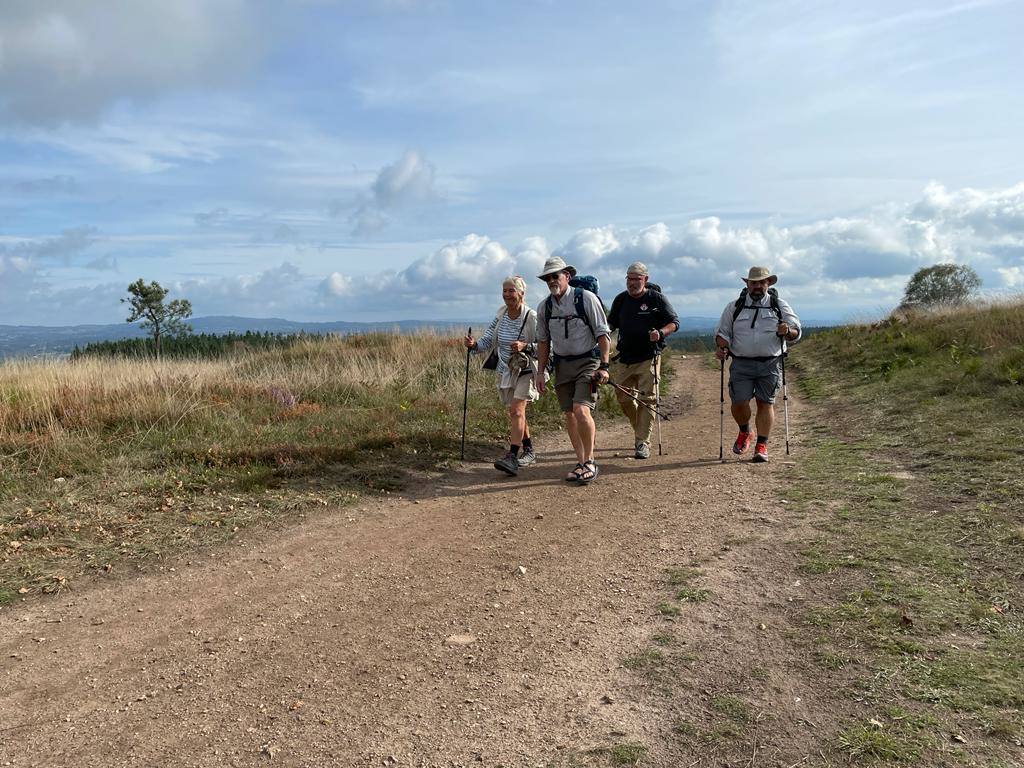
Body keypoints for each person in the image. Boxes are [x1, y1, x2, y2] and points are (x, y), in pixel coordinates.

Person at [533, 256, 611, 484]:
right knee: (569, 413)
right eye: (547, 278)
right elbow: (543, 342)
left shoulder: (585, 298)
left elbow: (602, 334)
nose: (551, 281)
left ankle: (590, 461)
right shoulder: (544, 307)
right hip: (562, 364)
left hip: (588, 361)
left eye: (555, 276)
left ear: (567, 276)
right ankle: (580, 462)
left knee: (581, 410)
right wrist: (540, 372)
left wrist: (604, 366)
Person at [714, 266, 801, 463]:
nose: (757, 286)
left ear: (768, 283)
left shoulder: (779, 305)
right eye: (754, 282)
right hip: (741, 363)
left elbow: (796, 330)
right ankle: (745, 431)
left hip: (770, 363)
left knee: (765, 403)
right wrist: (722, 346)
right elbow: (723, 332)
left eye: (762, 282)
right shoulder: (734, 307)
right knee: (738, 403)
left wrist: (787, 331)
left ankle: (762, 445)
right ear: (747, 284)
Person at [464, 276, 541, 476]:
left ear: (521, 294)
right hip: (506, 371)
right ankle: (529, 450)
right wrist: (474, 345)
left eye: (511, 291)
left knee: (517, 411)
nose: (507, 295)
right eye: (505, 291)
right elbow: (489, 338)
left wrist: (525, 346)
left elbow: (545, 344)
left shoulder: (531, 316)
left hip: (526, 370)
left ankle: (512, 457)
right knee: (517, 413)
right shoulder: (501, 315)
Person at [607, 261, 679, 459]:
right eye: (629, 279)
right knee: (623, 398)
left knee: (648, 399)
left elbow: (674, 322)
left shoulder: (656, 299)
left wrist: (661, 332)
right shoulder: (621, 300)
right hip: (625, 357)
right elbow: (611, 324)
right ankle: (641, 430)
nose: (632, 283)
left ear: (645, 279)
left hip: (649, 356)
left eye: (636, 279)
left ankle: (642, 442)